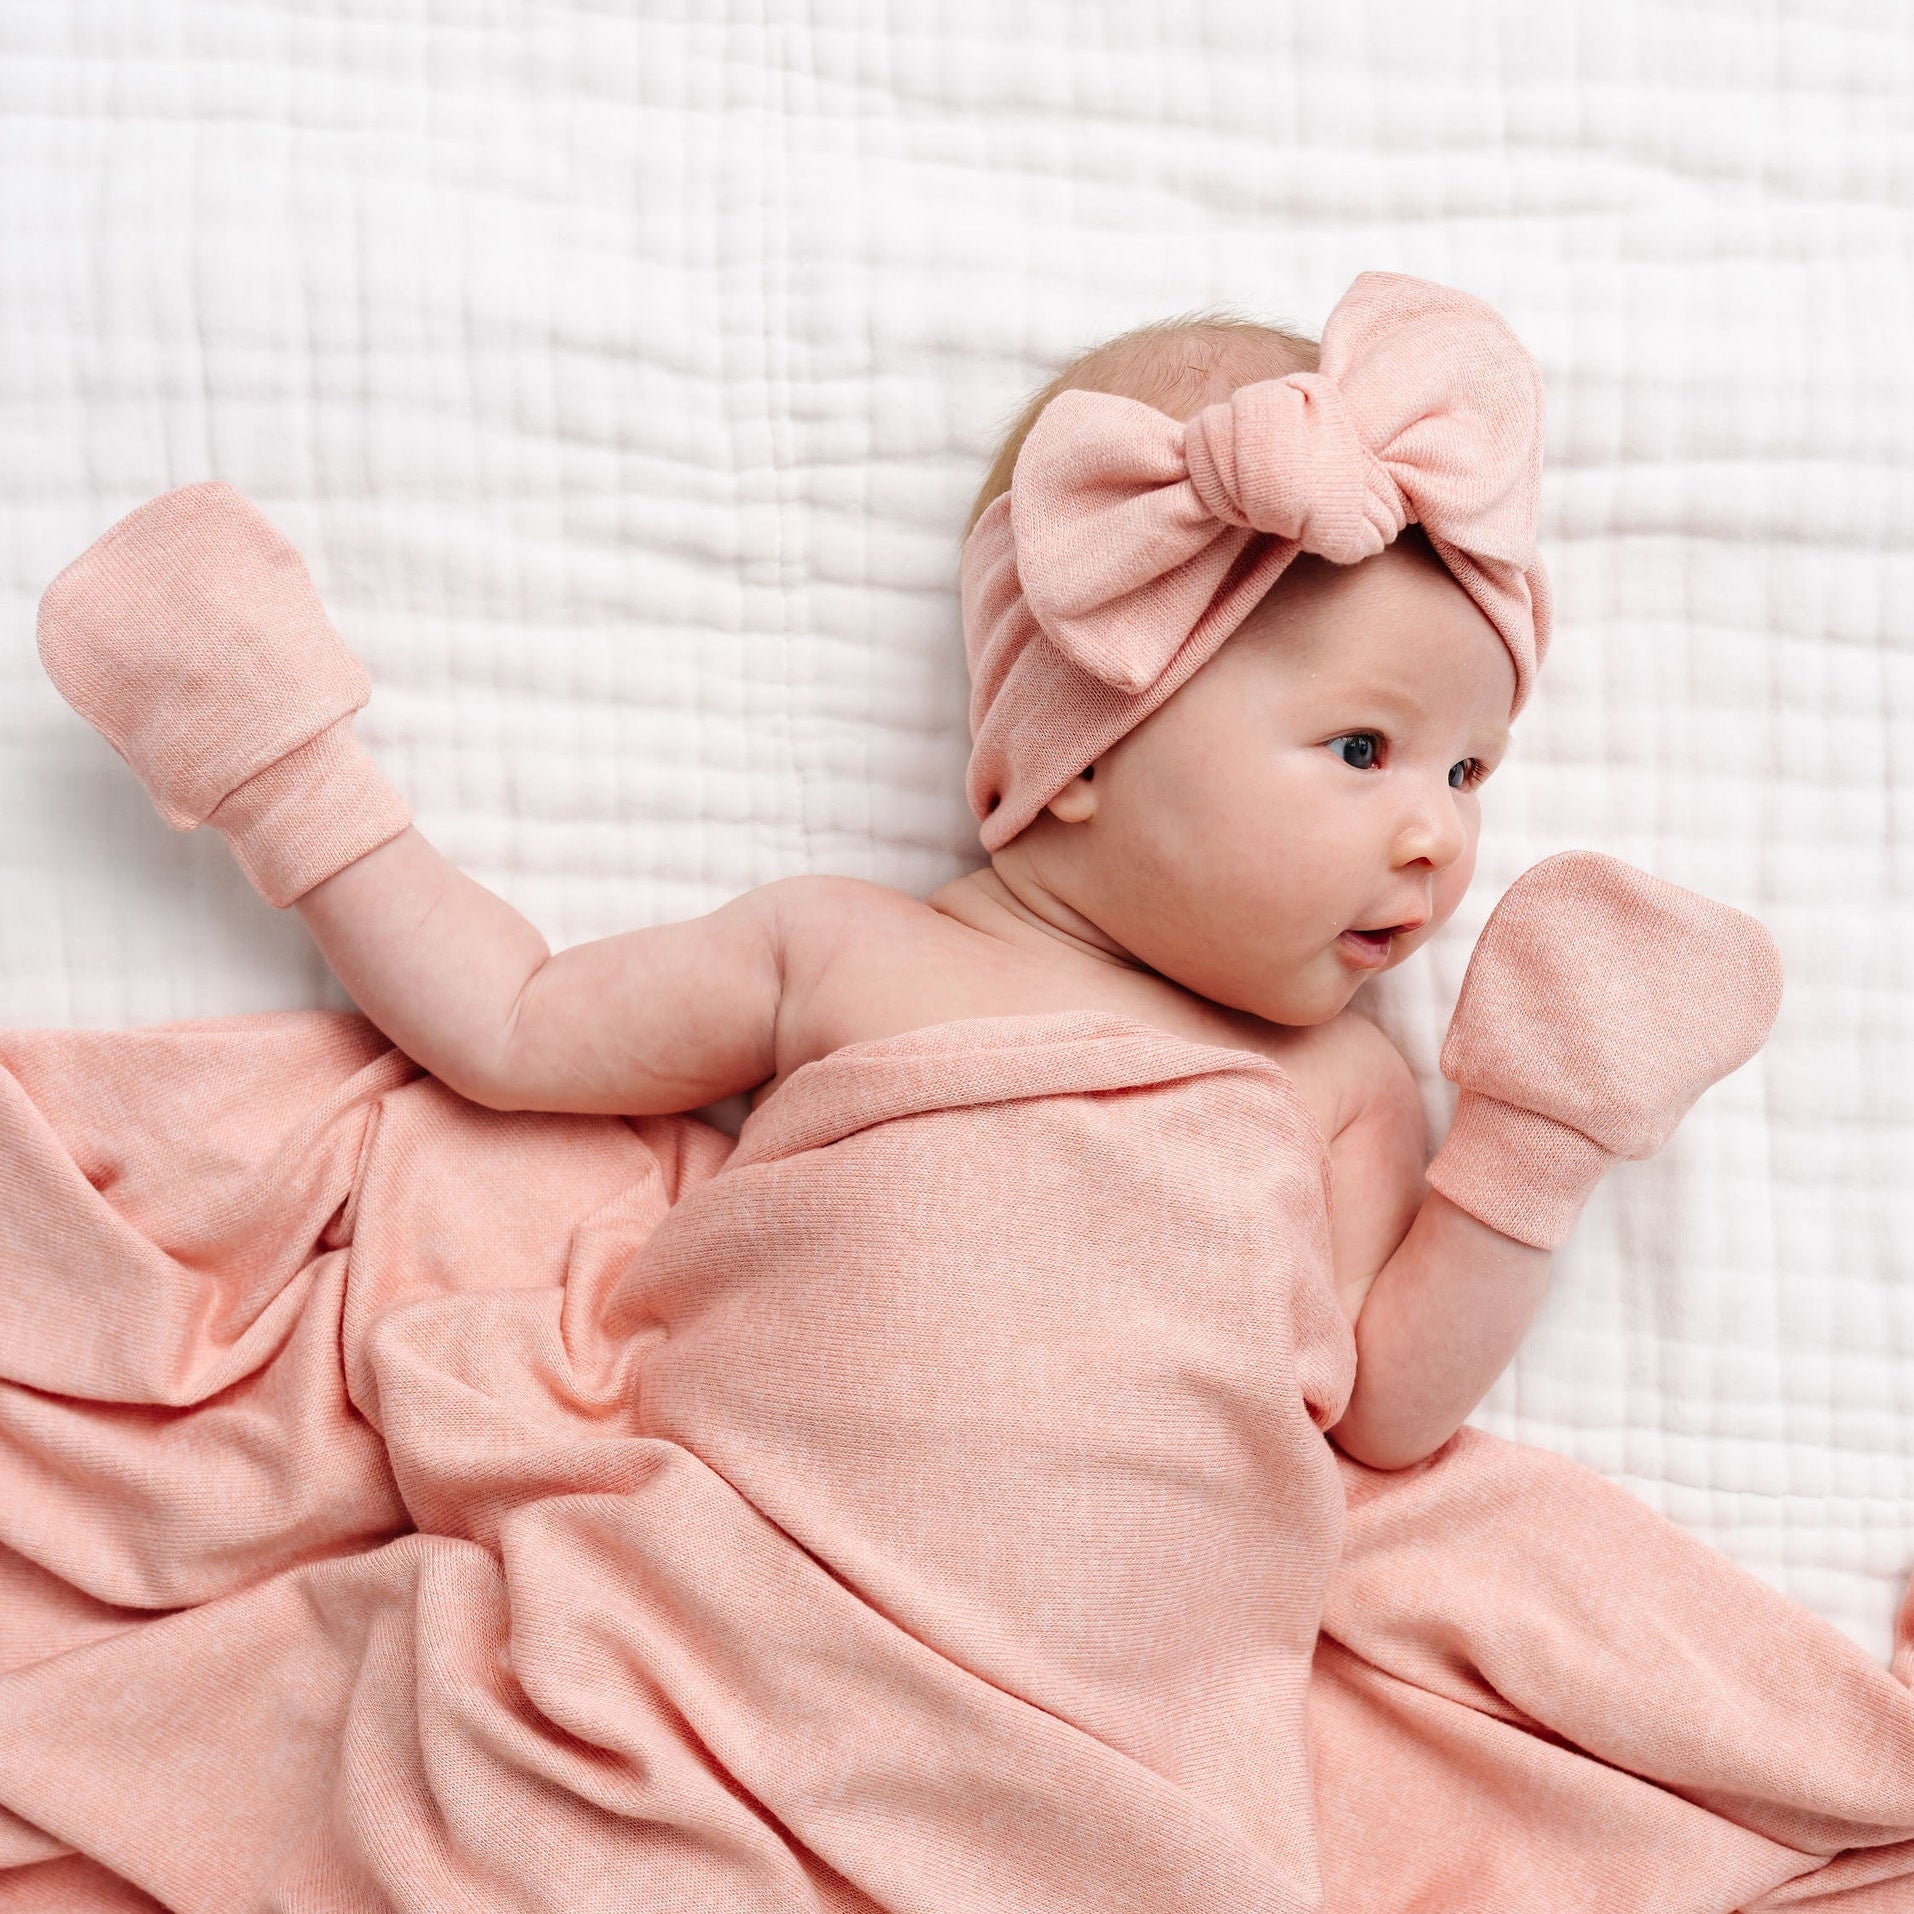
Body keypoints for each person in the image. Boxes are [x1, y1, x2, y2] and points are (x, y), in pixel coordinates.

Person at [34, 271, 1776, 1474]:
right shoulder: (841, 955)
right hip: (753, 1554)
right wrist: (291, 775)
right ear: (1077, 756)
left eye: (1473, 771)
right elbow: (507, 1021)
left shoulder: (1334, 1084)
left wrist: (1533, 1144)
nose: (1439, 832)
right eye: (1361, 751)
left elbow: (1384, 1407)